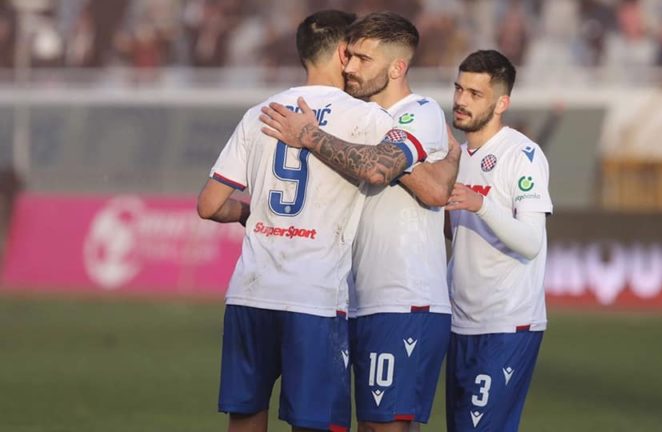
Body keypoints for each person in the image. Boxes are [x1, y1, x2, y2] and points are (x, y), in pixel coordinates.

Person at [196, 10, 402, 432]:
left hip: (251, 292)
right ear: (344, 53)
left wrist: (252, 214)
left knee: (245, 417)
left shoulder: (261, 113)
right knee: (316, 422)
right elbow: (392, 170)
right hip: (314, 296)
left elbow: (210, 204)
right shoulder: (367, 118)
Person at [260, 12, 459, 432]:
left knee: (382, 426)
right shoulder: (357, 116)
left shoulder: (418, 111)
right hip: (352, 299)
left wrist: (309, 136)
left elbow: (376, 168)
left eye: (363, 59)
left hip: (403, 298)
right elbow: (425, 186)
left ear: (397, 68)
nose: (349, 67)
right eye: (349, 56)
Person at [444, 50, 553, 432]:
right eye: (459, 89)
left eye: (475, 94)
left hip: (507, 323)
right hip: (461, 321)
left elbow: (531, 241)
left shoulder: (522, 155)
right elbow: (456, 233)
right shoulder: (456, 156)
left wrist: (481, 205)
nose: (461, 100)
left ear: (502, 103)